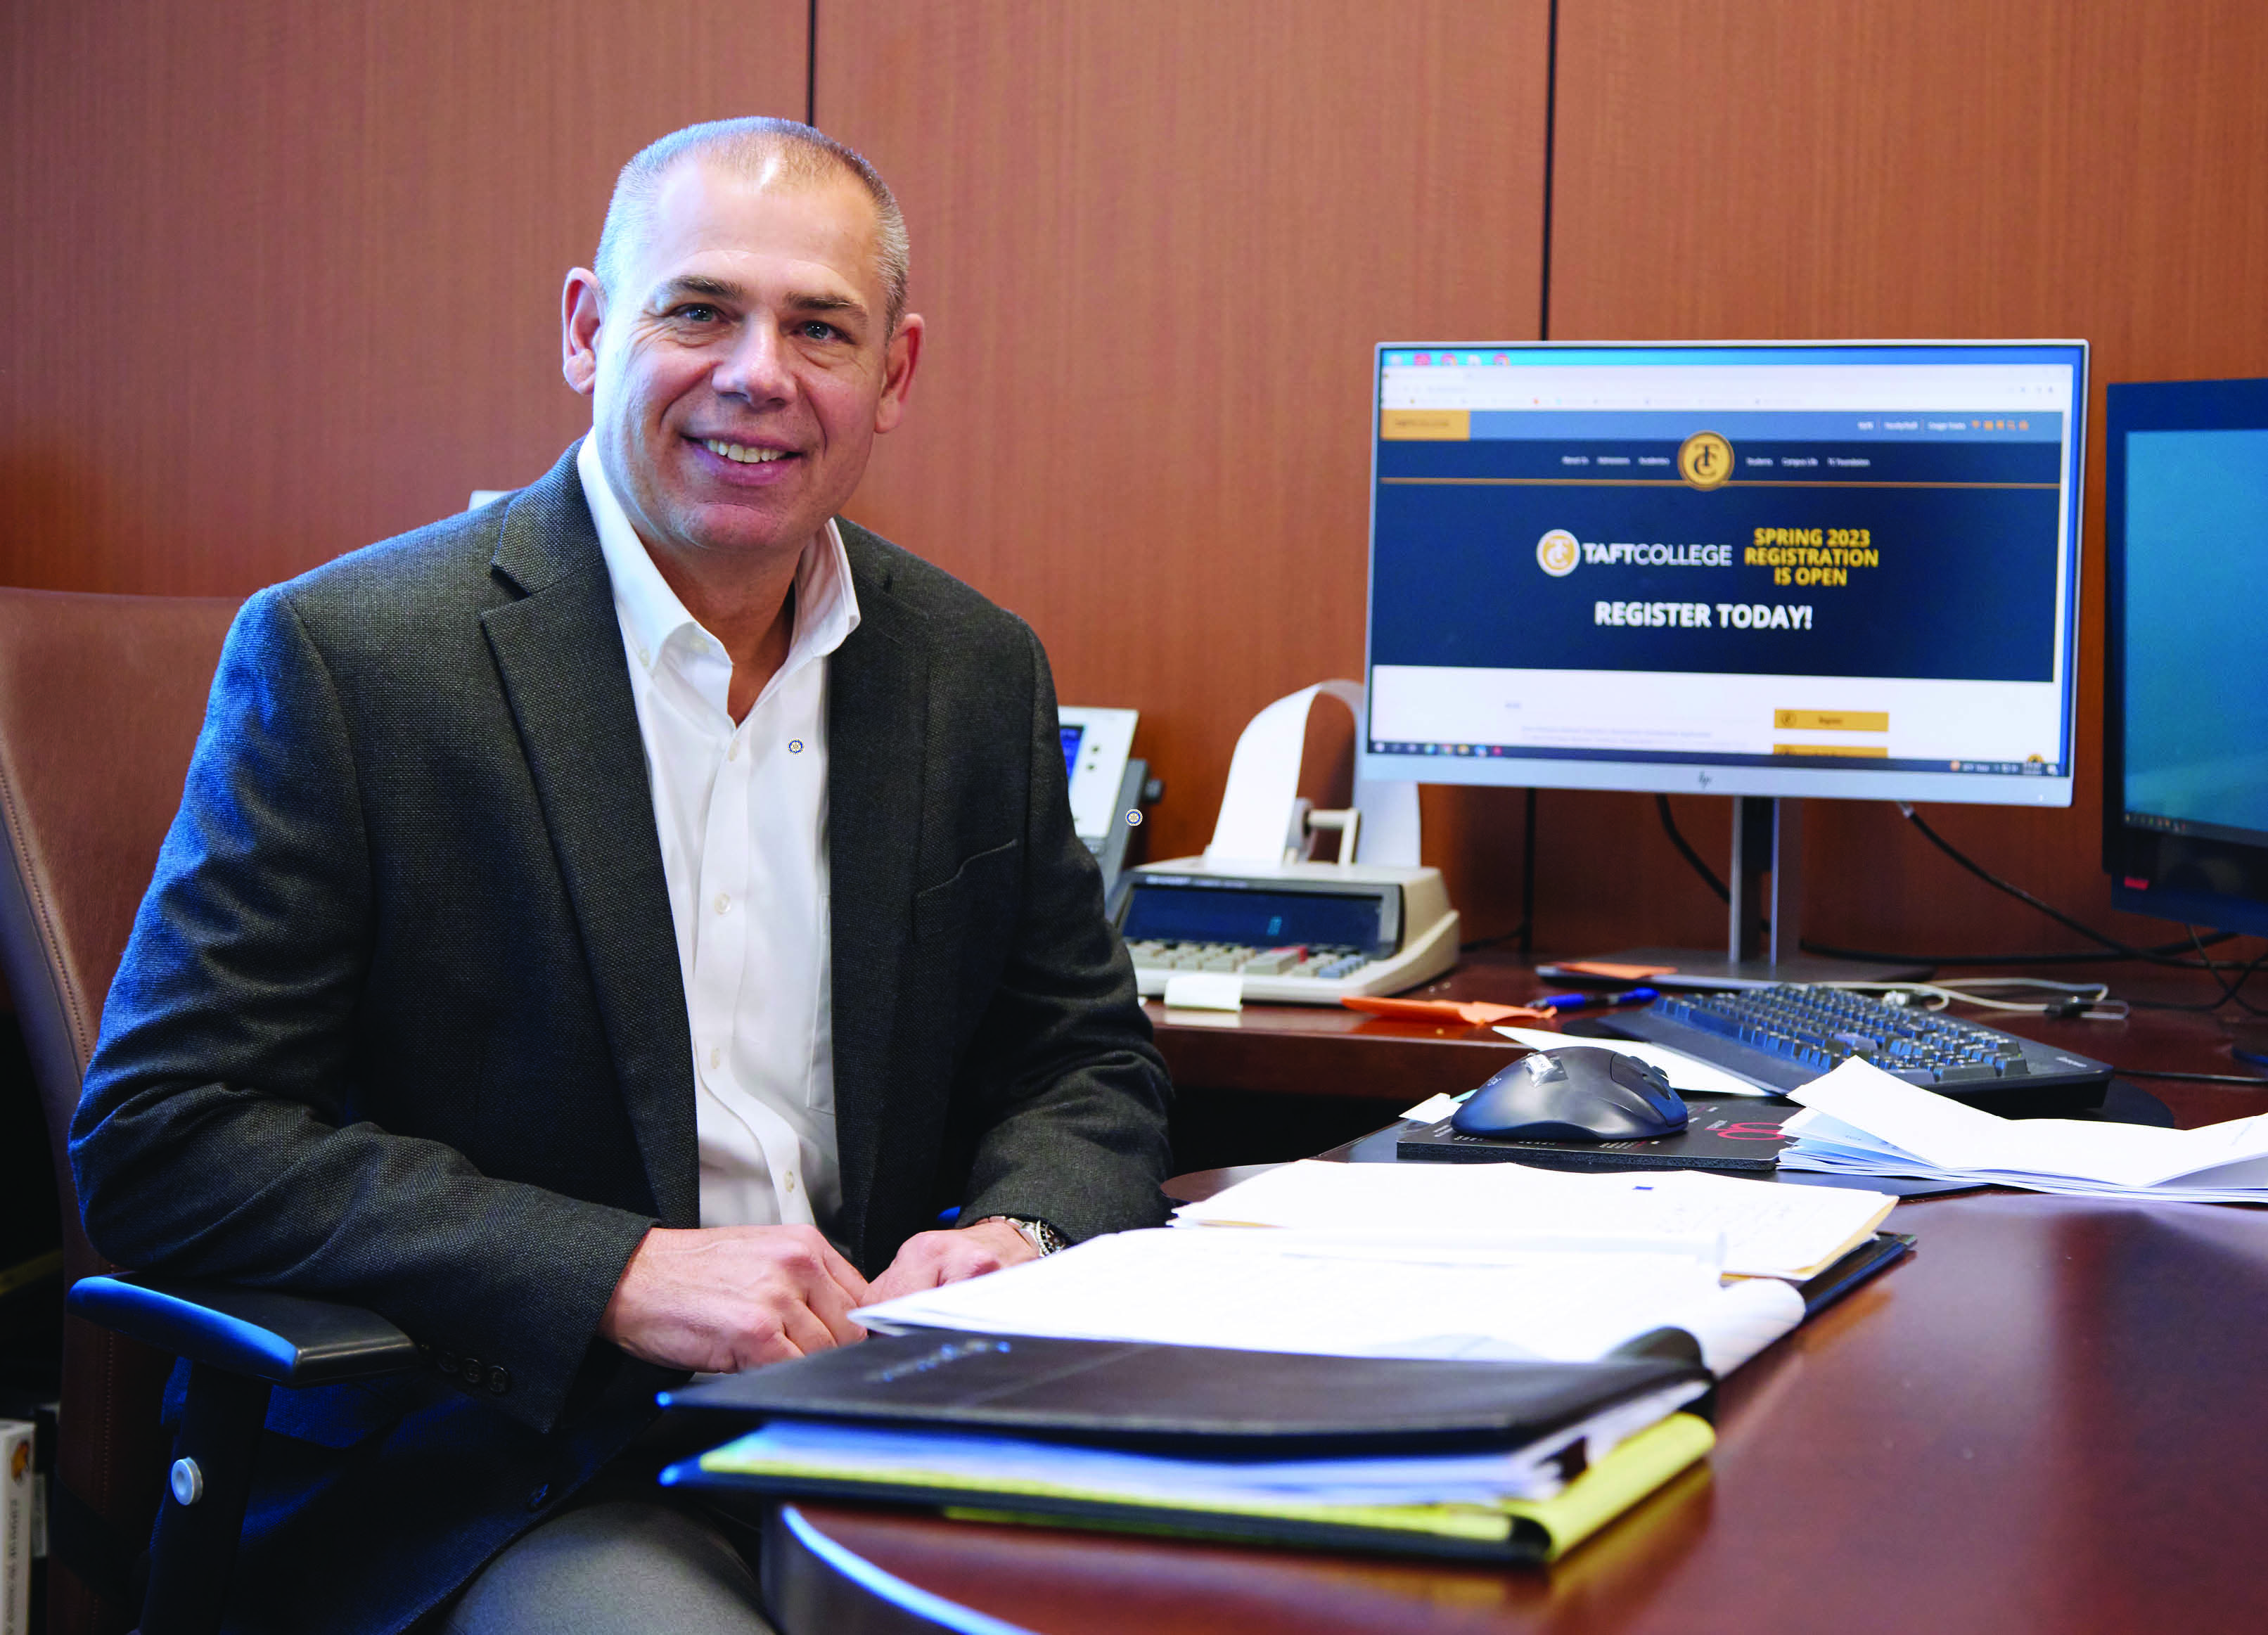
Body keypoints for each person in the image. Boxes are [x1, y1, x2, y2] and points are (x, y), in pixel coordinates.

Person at [70, 117, 1172, 1635]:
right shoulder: (357, 660)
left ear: (894, 377)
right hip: (500, 1459)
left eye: (820, 329)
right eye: (699, 308)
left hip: (886, 1422)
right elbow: (163, 1134)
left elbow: (1081, 1058)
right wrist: (617, 1270)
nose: (759, 375)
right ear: (590, 329)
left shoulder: (971, 669)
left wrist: (1019, 1233)